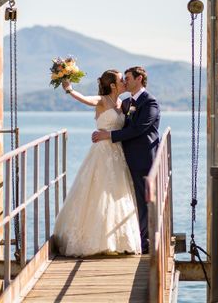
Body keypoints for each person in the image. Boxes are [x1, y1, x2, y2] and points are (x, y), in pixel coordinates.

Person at [53, 69, 142, 256]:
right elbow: (85, 99)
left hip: (118, 153)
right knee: (98, 194)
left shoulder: (123, 103)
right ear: (112, 85)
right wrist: (69, 89)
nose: (125, 82)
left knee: (117, 194)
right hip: (102, 153)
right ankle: (94, 240)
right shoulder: (103, 101)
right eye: (121, 80)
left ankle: (118, 239)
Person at [92, 66, 160, 254]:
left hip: (143, 157)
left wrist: (108, 135)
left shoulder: (150, 103)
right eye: (123, 79)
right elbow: (116, 116)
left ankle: (144, 242)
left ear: (139, 79)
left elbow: (138, 129)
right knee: (128, 198)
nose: (125, 81)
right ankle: (129, 237)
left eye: (128, 78)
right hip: (124, 157)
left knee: (143, 199)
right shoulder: (127, 102)